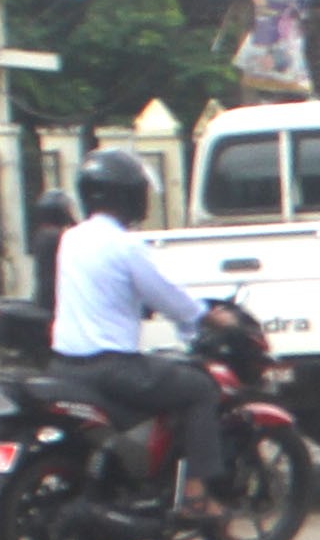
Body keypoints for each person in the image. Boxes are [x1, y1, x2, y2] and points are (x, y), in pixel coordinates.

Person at [52, 146, 232, 518]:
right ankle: (196, 494)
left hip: (65, 367)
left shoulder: (71, 239)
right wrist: (207, 317)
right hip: (112, 369)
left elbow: (106, 291)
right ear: (129, 195)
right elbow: (165, 293)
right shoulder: (125, 244)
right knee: (200, 388)